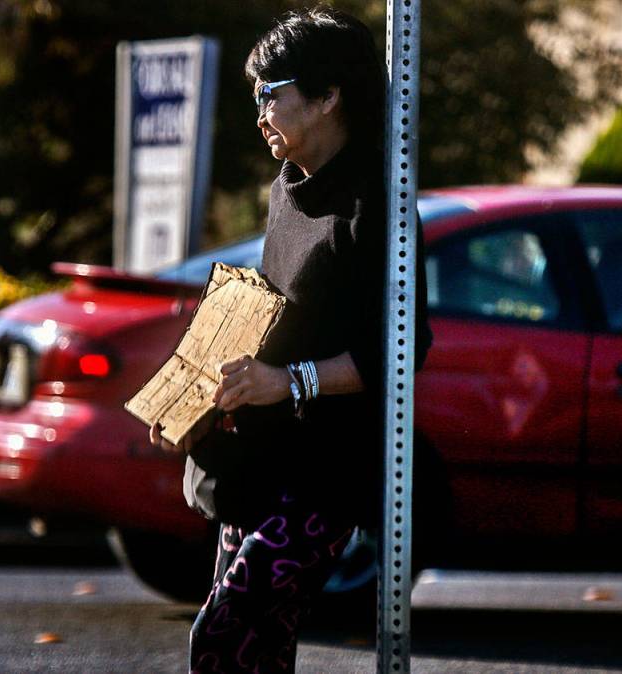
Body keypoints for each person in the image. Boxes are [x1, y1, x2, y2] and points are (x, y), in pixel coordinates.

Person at [149, 7, 432, 672]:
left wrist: (290, 381)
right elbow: (272, 316)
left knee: (224, 638)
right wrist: (196, 399)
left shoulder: (380, 203)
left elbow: (401, 350)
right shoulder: (288, 187)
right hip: (259, 462)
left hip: (327, 478)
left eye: (270, 95)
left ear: (329, 96)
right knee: (254, 651)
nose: (259, 114)